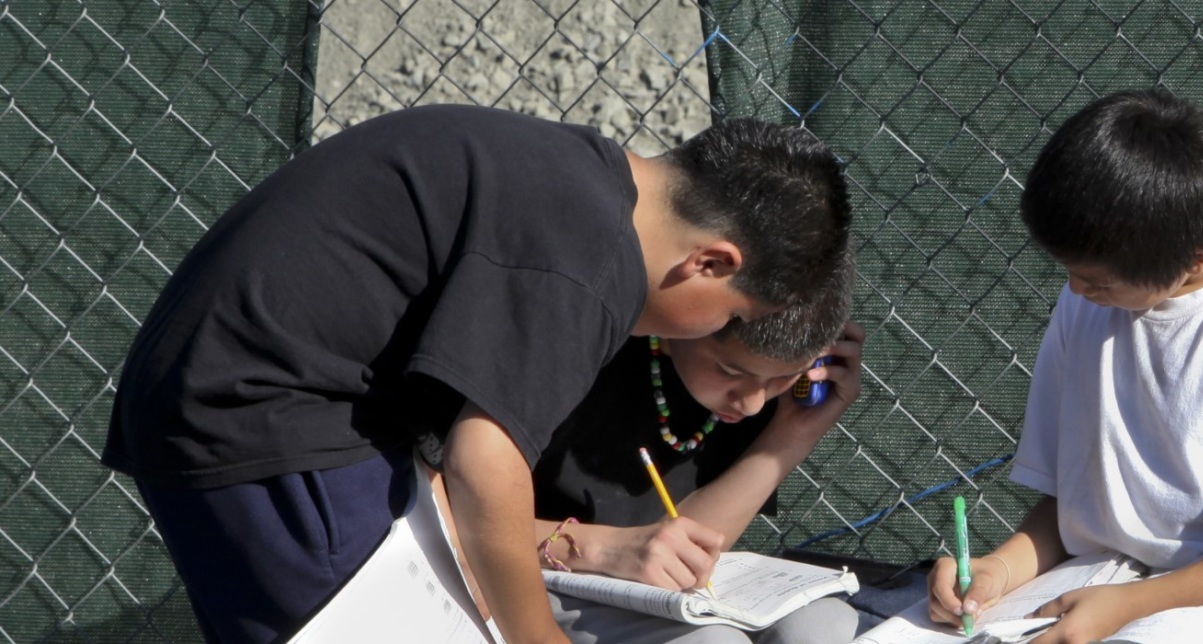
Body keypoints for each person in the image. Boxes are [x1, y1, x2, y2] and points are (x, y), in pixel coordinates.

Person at [105, 105, 853, 643]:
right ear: (712, 262)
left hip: (234, 403)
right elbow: (484, 458)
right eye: (728, 319)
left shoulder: (578, 178)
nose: (722, 335)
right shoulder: (595, 258)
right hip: (267, 416)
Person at [922, 88, 1203, 644]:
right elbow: (1073, 503)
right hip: (1105, 581)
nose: (1076, 290)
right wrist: (998, 570)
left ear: (1193, 261)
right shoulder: (1085, 300)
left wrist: (1130, 606)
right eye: (1070, 271)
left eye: (1098, 280)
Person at [532, 251, 867, 643]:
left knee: (823, 626)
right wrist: (604, 549)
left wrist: (791, 435)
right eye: (729, 371)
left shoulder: (760, 387)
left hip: (653, 591)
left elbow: (692, 547)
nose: (751, 403)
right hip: (531, 571)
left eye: (784, 376)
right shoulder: (585, 337)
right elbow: (455, 516)